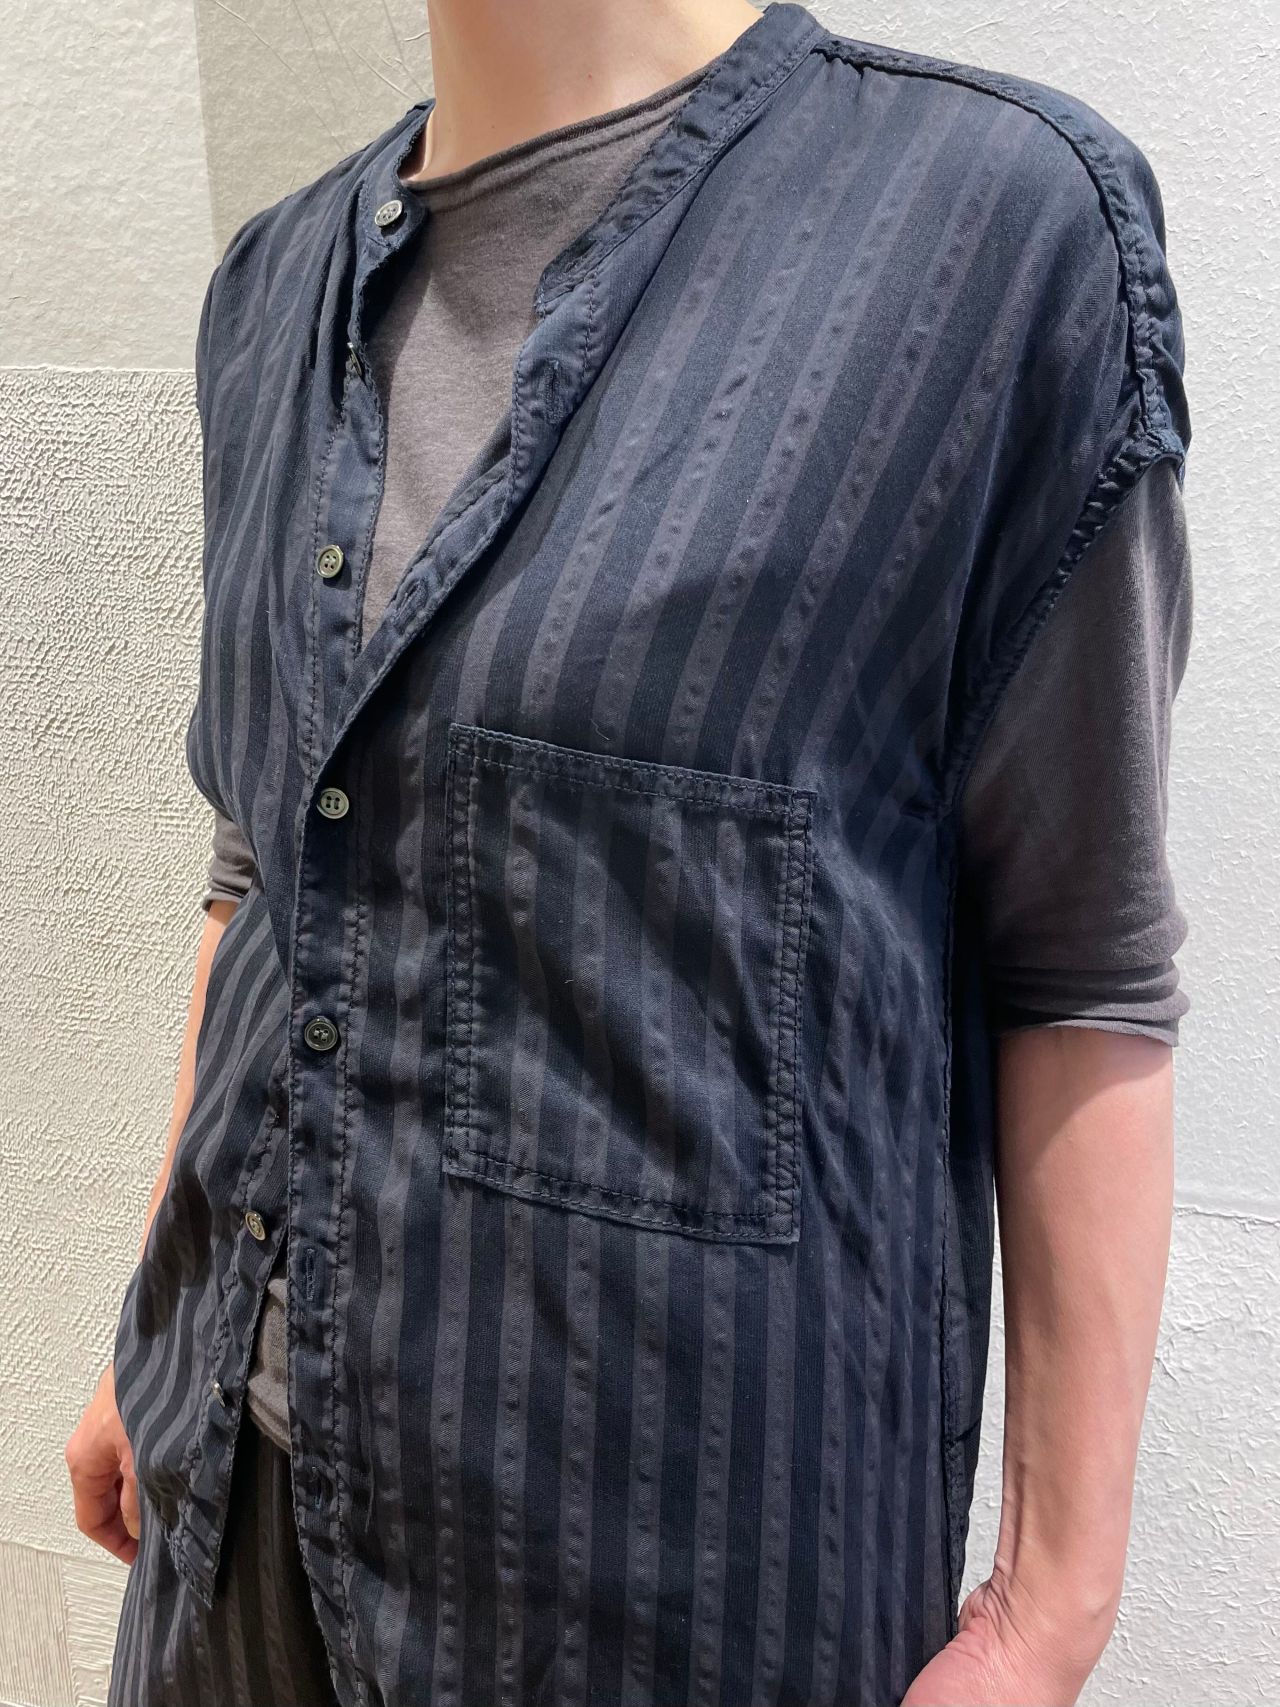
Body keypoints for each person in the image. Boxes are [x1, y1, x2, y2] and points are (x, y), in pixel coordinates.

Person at [64, 0, 1194, 1701]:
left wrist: (1048, 1619)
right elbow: (264, 859)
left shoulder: (995, 236)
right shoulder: (273, 287)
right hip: (232, 1523)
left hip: (665, 1590)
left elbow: (1082, 958)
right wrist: (159, 1323)